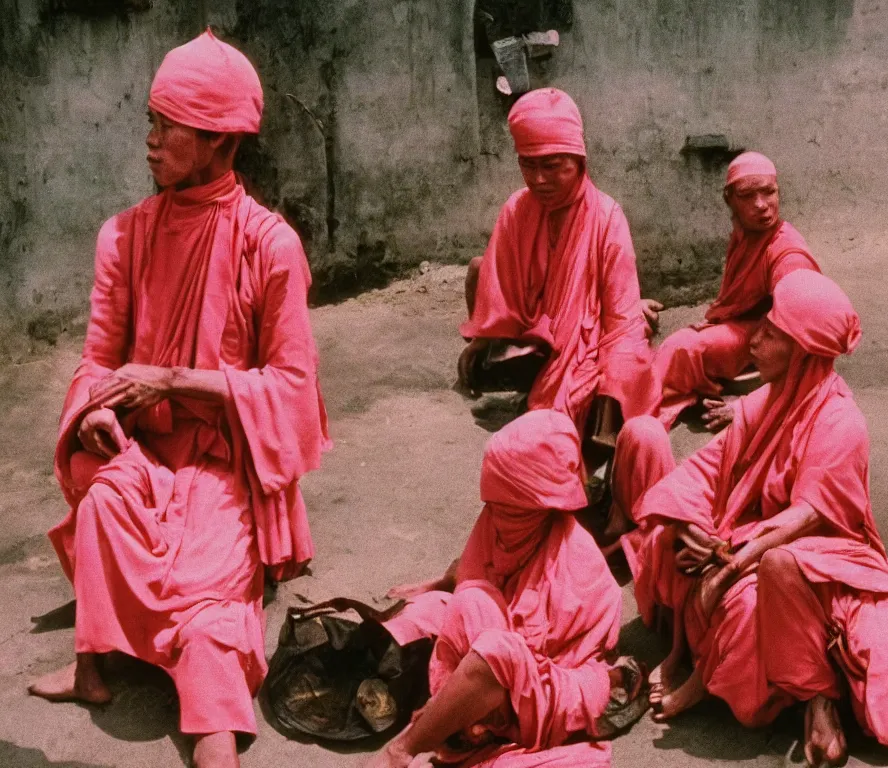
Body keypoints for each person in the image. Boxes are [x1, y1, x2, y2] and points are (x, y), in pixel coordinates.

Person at [27, 30, 330, 768]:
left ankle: (214, 736)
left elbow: (292, 393)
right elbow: (98, 359)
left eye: (168, 127)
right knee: (101, 506)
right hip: (145, 454)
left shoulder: (270, 245)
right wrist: (97, 408)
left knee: (205, 613)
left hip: (227, 469)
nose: (152, 143)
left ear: (220, 140)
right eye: (150, 125)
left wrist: (174, 380)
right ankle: (92, 666)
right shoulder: (125, 235)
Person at [614, 271, 888, 766]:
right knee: (668, 539)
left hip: (819, 556)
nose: (754, 341)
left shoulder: (840, 421)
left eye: (771, 334)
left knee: (744, 603)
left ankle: (725, 683)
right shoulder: (770, 397)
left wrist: (732, 561)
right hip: (753, 535)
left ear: (803, 350)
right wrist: (693, 527)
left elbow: (806, 518)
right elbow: (709, 467)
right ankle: (689, 655)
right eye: (759, 327)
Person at [367, 410, 634, 768]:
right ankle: (463, 713)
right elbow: (471, 578)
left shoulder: (583, 571)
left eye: (509, 506)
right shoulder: (495, 522)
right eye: (492, 503)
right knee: (458, 602)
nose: (495, 515)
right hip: (493, 664)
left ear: (542, 505)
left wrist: (499, 689)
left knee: (498, 649)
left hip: (547, 688)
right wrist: (439, 584)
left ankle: (405, 748)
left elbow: (561, 672)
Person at [457, 88, 659, 446]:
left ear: (578, 161)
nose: (537, 180)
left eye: (551, 166)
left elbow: (619, 318)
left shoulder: (607, 218)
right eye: (527, 165)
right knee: (480, 288)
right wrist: (479, 342)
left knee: (621, 369)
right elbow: (501, 297)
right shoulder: (517, 209)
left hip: (586, 333)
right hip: (532, 335)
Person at [654, 151, 819, 430]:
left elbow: (805, 336)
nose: (761, 205)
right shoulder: (744, 233)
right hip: (744, 325)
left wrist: (749, 407)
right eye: (747, 196)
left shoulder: (788, 255)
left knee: (681, 348)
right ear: (729, 199)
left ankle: (636, 418)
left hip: (767, 337)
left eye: (769, 192)